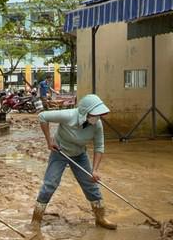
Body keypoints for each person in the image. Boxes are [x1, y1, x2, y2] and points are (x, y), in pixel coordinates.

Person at [30, 94, 116, 230]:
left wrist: (94, 170)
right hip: (60, 152)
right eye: (94, 114)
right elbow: (42, 117)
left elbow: (99, 147)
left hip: (79, 155)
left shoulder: (97, 125)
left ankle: (100, 218)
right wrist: (49, 141)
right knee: (50, 184)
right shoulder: (69, 115)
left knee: (91, 185)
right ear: (84, 112)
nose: (97, 117)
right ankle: (36, 220)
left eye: (99, 114)